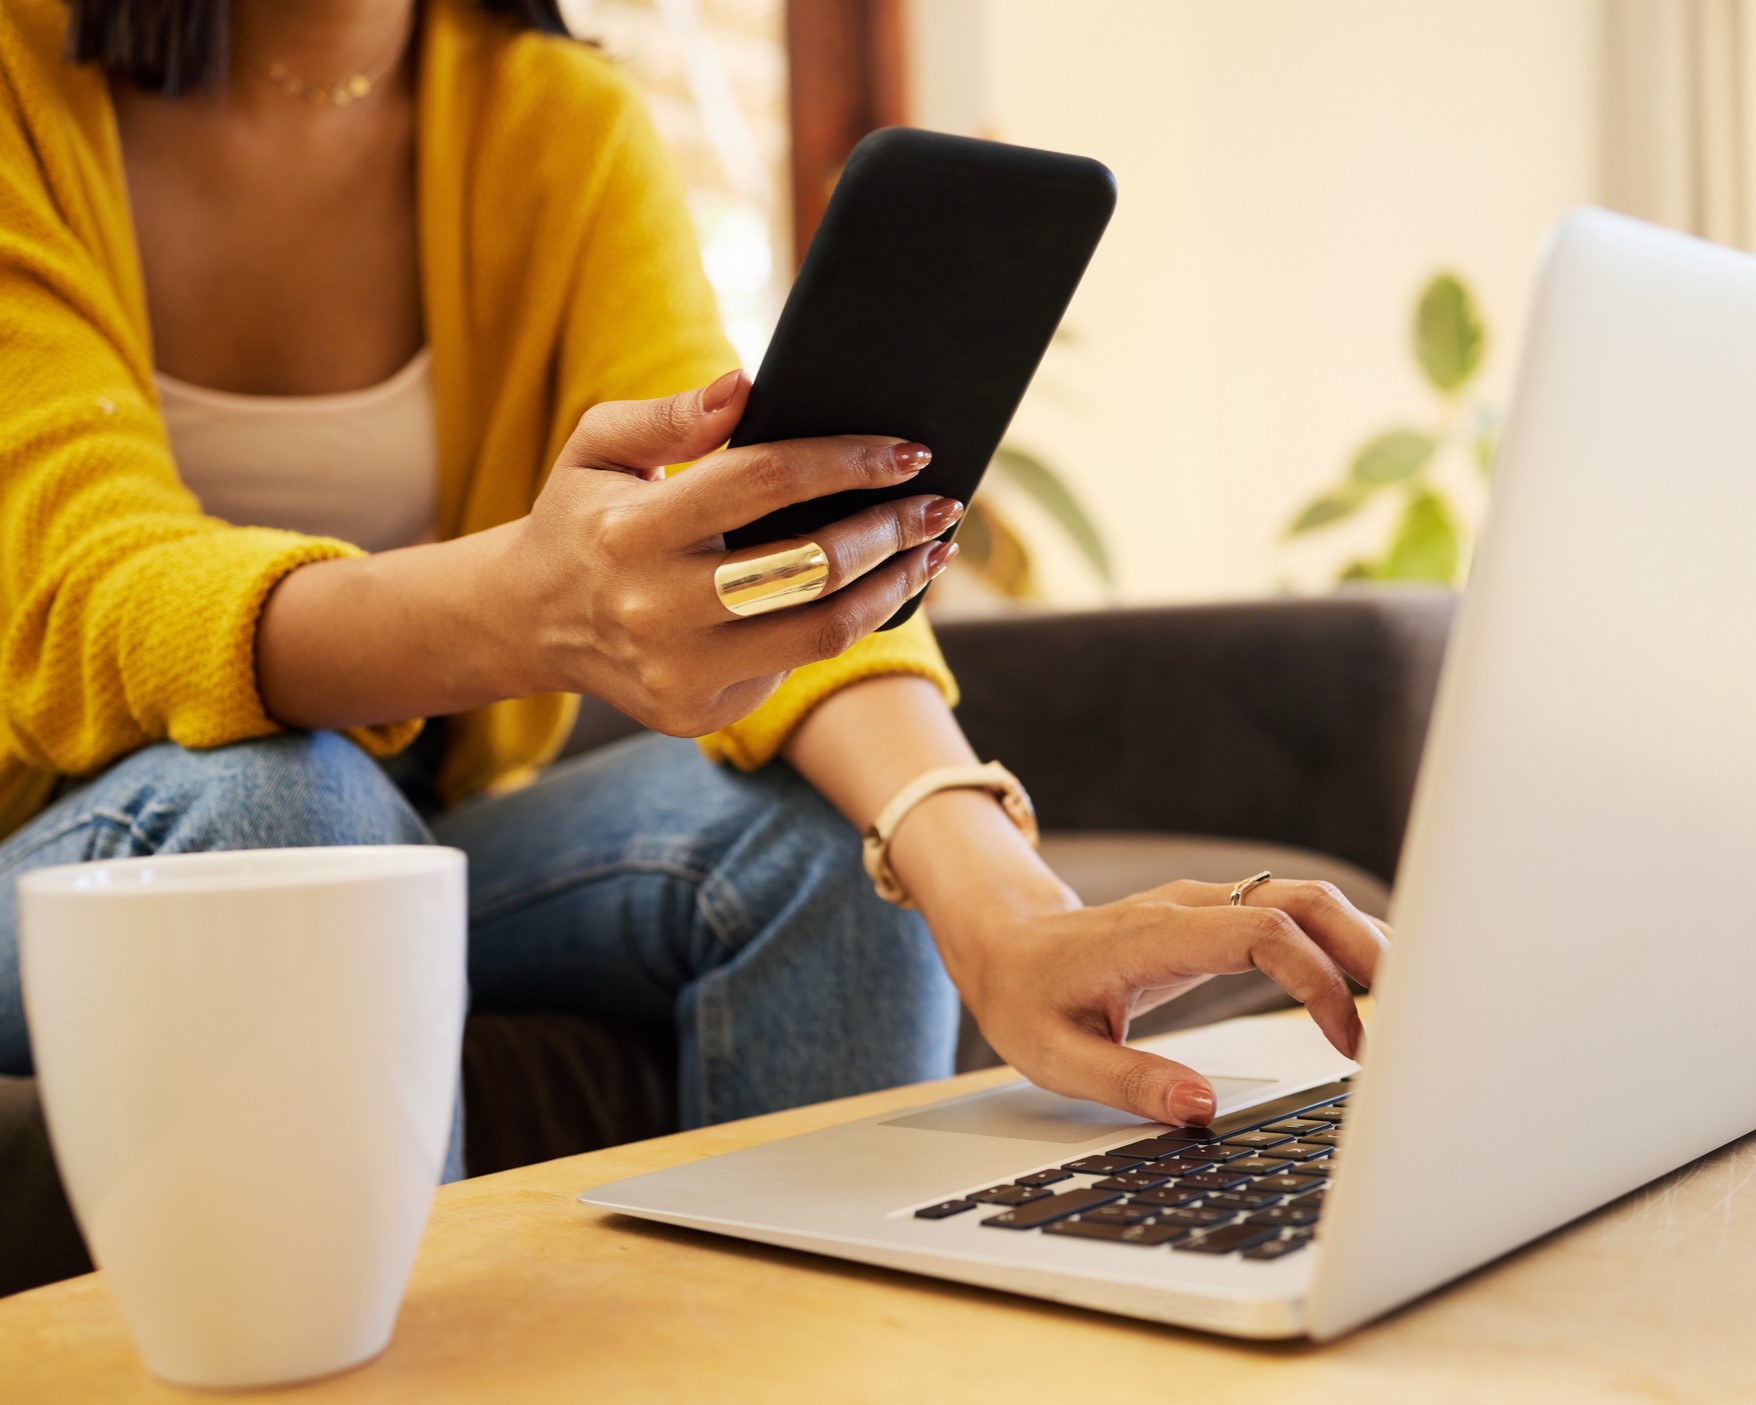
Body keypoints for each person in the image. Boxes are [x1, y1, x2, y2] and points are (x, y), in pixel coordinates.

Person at [0, 0, 1384, 1180]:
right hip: (67, 855)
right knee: (294, 818)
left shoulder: (554, 120)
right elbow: (84, 587)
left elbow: (739, 538)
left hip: (411, 836)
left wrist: (1000, 900)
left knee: (819, 853)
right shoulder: (20, 80)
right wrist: (532, 607)